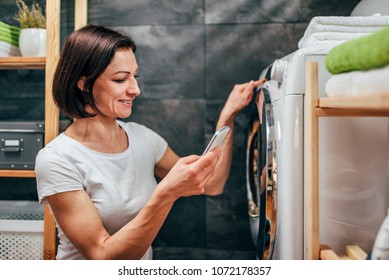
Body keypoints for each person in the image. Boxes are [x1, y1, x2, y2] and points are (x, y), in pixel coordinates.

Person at [35, 24, 265, 260]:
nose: (136, 89)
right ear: (83, 83)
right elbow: (101, 255)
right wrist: (166, 194)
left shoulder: (143, 138)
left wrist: (228, 116)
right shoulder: (56, 160)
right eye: (121, 79)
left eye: (135, 76)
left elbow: (212, 183)